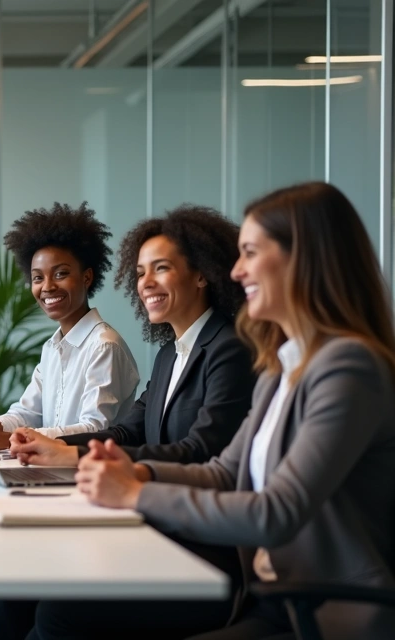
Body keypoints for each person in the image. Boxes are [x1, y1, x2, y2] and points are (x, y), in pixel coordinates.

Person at [67, 182, 395, 640]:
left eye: (251, 253)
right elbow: (224, 471)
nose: (237, 271)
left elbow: (275, 512)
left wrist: (135, 495)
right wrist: (138, 474)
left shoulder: (348, 367)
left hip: (325, 611)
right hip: (275, 598)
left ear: (305, 259)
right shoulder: (283, 364)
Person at [0, 205, 256, 640]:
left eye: (161, 269)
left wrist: (76, 456)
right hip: (152, 521)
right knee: (14, 578)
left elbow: (200, 453)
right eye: (139, 272)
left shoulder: (229, 350)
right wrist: (62, 449)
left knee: (58, 611)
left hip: (201, 548)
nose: (145, 283)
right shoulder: (171, 352)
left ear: (203, 274)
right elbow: (127, 430)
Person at [0, 203, 139, 451]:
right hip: (49, 465)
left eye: (60, 274)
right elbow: (28, 411)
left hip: (87, 472)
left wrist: (12, 439)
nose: (47, 287)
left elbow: (95, 429)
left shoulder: (104, 346)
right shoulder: (53, 346)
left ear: (87, 277)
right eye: (38, 277)